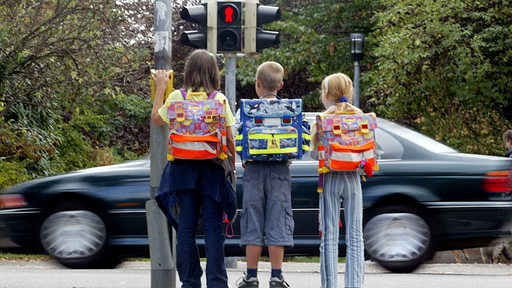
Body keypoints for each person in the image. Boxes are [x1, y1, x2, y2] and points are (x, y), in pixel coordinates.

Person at [151, 49, 236, 288]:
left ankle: (189, 282)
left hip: (183, 171)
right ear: (213, 73)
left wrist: (160, 88)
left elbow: (156, 119)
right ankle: (217, 283)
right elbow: (229, 138)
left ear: (188, 71)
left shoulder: (178, 97)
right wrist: (233, 164)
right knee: (213, 229)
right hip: (211, 170)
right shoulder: (219, 100)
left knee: (186, 228)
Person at [236, 61, 293, 288]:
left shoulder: (247, 110)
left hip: (253, 171)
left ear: (257, 84)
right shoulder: (289, 109)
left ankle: (251, 276)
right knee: (278, 219)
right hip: (280, 171)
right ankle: (277, 276)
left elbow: (237, 136)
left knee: (253, 220)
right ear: (280, 85)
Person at [309, 73, 365, 288]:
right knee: (355, 236)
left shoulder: (323, 119)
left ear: (326, 94)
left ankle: (329, 284)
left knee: (329, 236)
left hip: (330, 178)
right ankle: (355, 284)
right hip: (353, 179)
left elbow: (316, 155)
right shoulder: (360, 116)